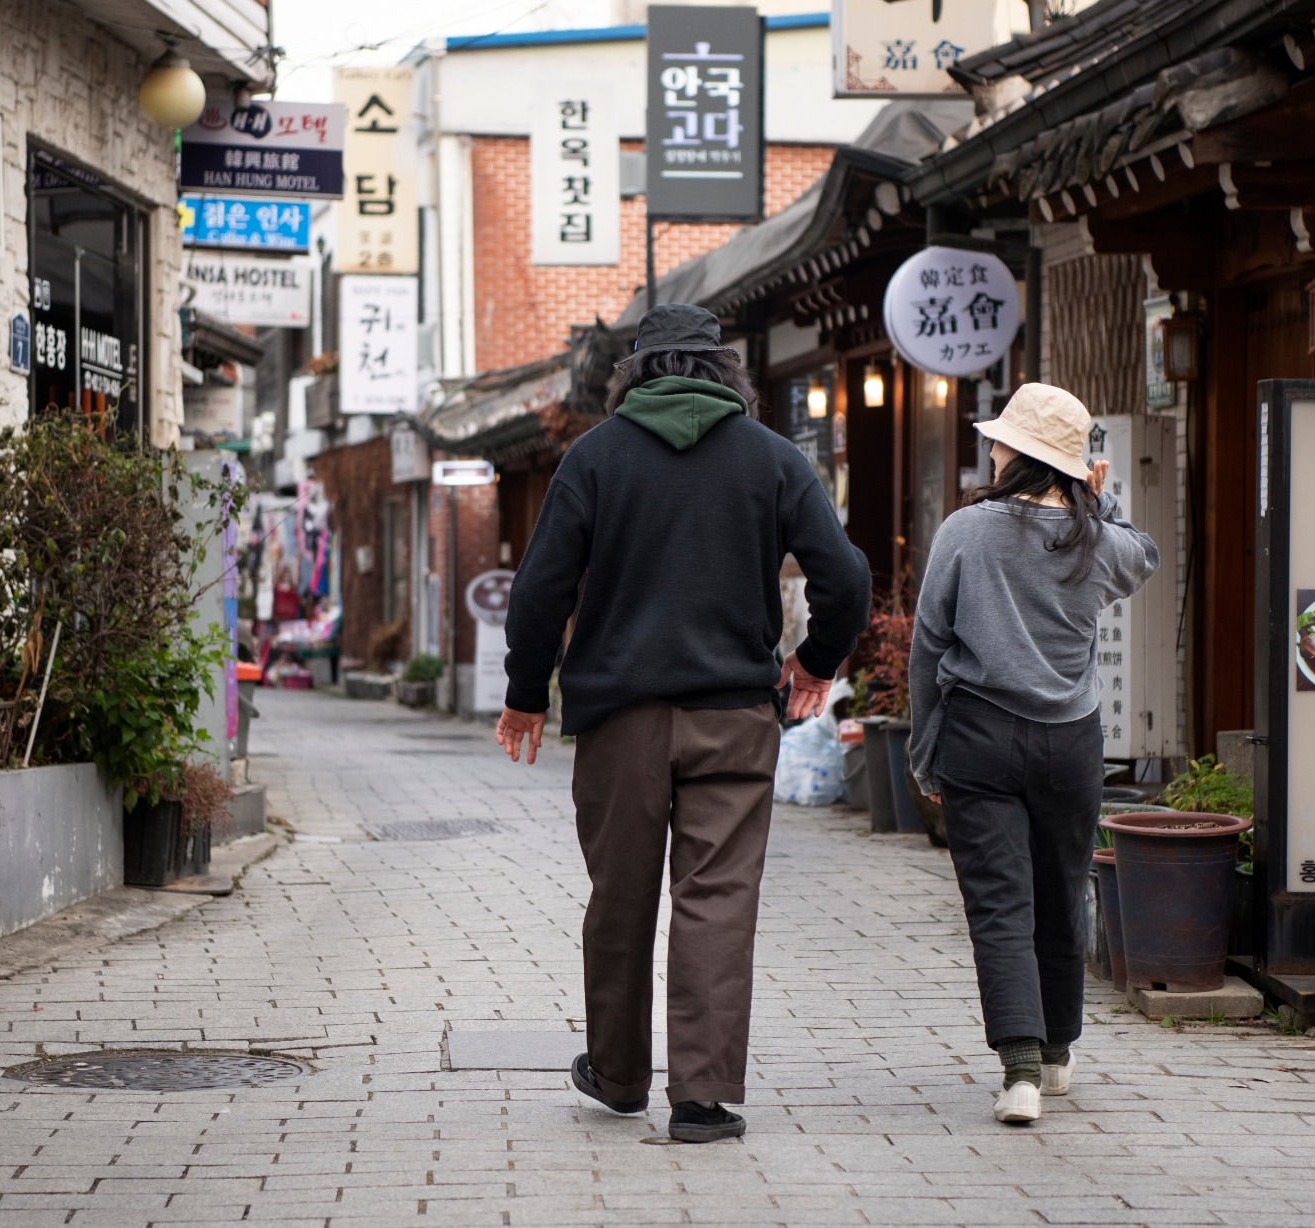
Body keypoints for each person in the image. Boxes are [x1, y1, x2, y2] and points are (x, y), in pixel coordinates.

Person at [495, 303, 871, 1143]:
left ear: (632, 377)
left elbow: (539, 590)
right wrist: (815, 662)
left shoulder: (593, 459)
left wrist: (526, 693)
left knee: (620, 896)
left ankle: (622, 1077)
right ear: (727, 375)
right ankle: (700, 1098)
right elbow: (844, 578)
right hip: (735, 715)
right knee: (717, 899)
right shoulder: (772, 460)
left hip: (619, 719)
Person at [908, 381, 1160, 1125]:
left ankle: (1017, 1070)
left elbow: (930, 644)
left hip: (979, 735)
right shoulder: (1097, 539)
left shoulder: (966, 532)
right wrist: (1098, 500)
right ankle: (1055, 1057)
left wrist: (924, 751)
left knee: (998, 904)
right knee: (1060, 892)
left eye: (998, 440)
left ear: (1015, 455)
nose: (990, 448)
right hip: (1070, 741)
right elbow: (1142, 555)